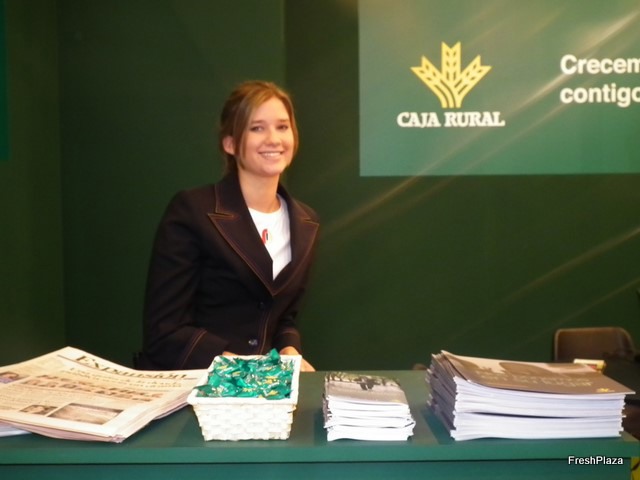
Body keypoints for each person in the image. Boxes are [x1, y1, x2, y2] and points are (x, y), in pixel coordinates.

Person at [138, 81, 319, 372]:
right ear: (230, 143)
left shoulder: (306, 221)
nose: (274, 139)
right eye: (257, 128)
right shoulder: (192, 210)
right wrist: (242, 368)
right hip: (195, 383)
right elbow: (165, 331)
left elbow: (282, 316)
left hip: (264, 388)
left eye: (282, 127)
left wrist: (290, 350)